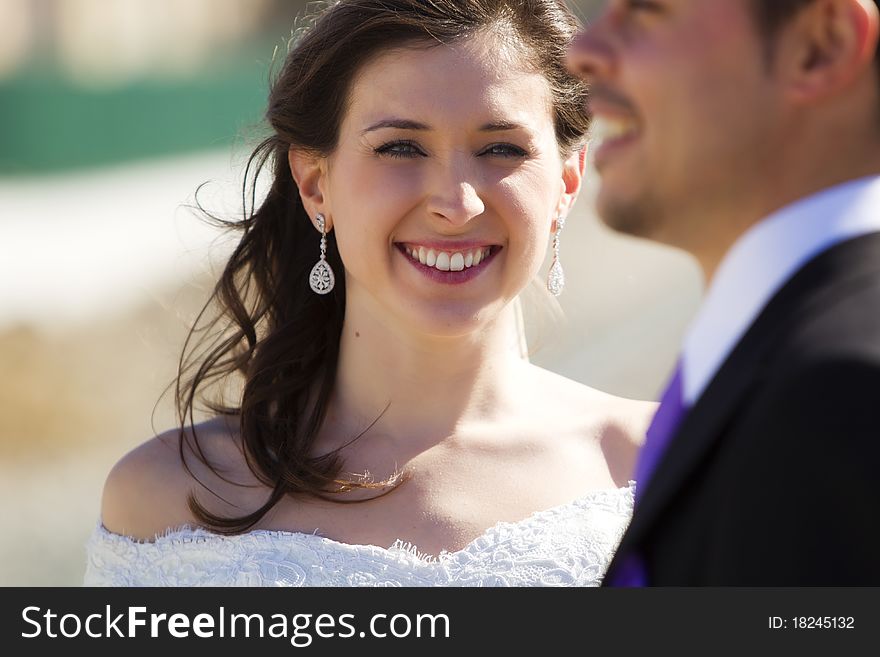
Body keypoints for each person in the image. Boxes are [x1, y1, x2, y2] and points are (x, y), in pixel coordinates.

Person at [83, 0, 654, 587]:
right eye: (401, 147)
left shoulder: (659, 466)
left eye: (501, 148)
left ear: (567, 181)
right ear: (314, 183)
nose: (456, 205)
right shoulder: (165, 501)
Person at [568, 0, 880, 585]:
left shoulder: (847, 388)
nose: (581, 52)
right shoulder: (781, 358)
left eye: (642, 12)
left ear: (821, 46)